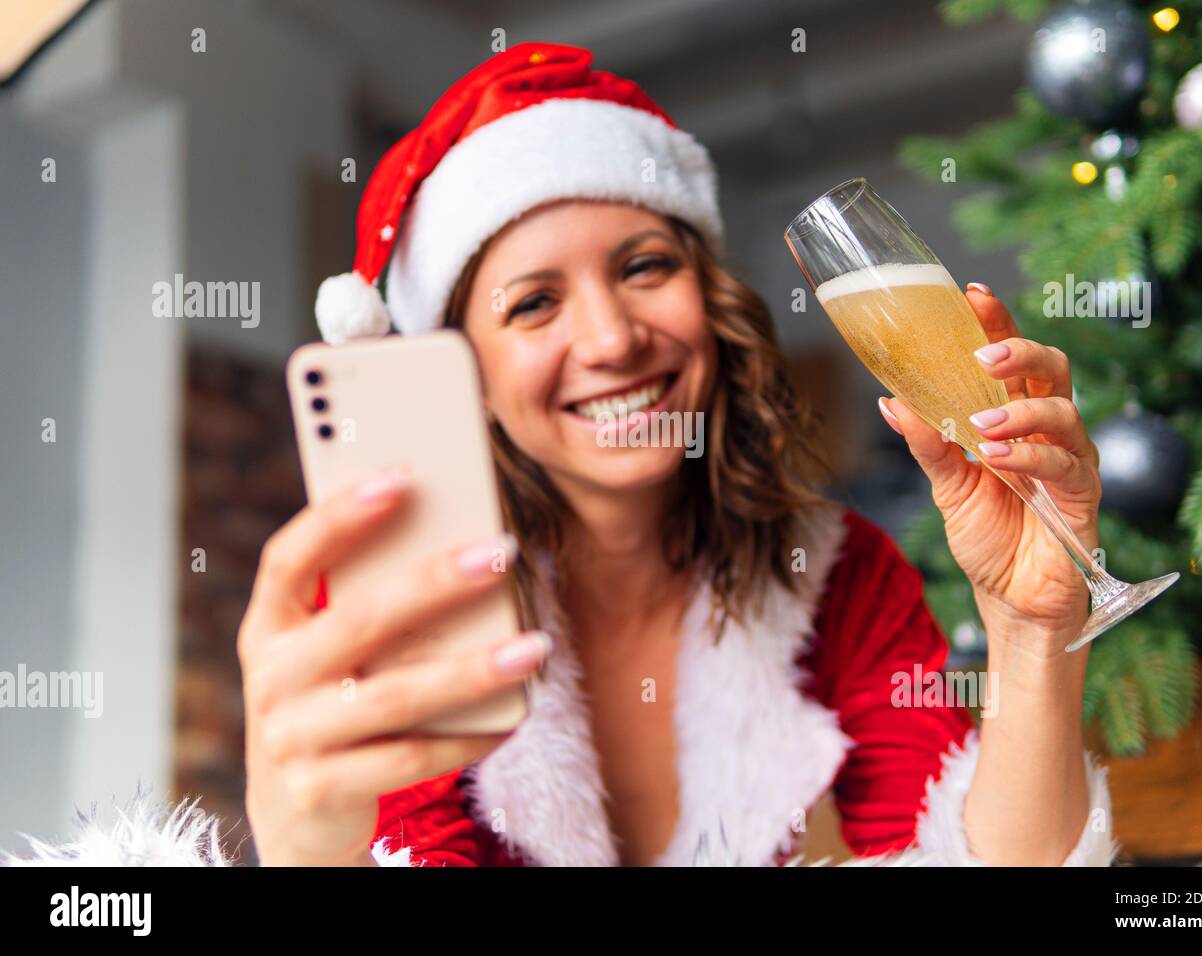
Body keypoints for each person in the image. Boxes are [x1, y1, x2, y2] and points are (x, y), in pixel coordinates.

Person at [238, 41, 1116, 868]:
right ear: (463, 371)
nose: (613, 339)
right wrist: (306, 849)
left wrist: (1033, 631)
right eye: (535, 303)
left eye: (644, 267)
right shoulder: (394, 603)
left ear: (711, 298)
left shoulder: (842, 575)